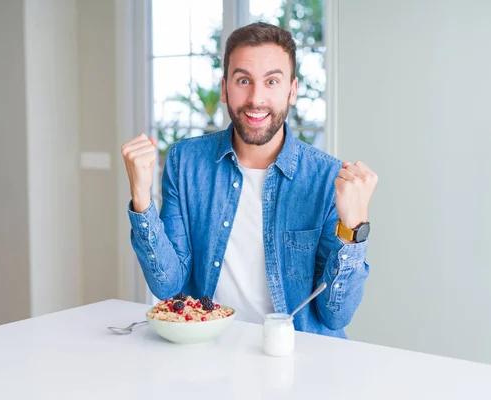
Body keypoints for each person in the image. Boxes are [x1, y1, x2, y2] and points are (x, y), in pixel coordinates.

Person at [121, 22, 378, 338]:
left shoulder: (327, 178)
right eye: (244, 80)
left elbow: (335, 315)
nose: (256, 98)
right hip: (210, 349)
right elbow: (168, 284)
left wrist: (354, 229)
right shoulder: (184, 161)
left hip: (297, 357)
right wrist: (140, 196)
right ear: (225, 87)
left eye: (272, 81)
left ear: (292, 90)